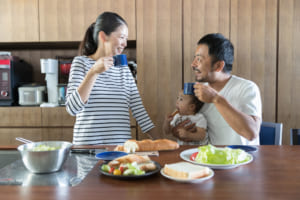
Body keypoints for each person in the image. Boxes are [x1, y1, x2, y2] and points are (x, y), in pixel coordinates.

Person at [65, 12, 156, 145]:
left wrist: (161, 141)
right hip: (88, 150)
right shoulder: (81, 63)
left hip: (120, 150)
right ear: (103, 36)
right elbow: (72, 108)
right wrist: (94, 72)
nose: (125, 44)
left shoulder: (123, 69)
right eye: (122, 37)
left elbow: (139, 110)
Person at [172, 33, 262, 145]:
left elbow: (251, 133)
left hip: (240, 160)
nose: (193, 64)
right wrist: (177, 131)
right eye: (194, 58)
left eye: (199, 59)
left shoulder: (247, 88)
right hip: (205, 160)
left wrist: (216, 99)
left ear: (218, 66)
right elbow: (187, 124)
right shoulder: (197, 91)